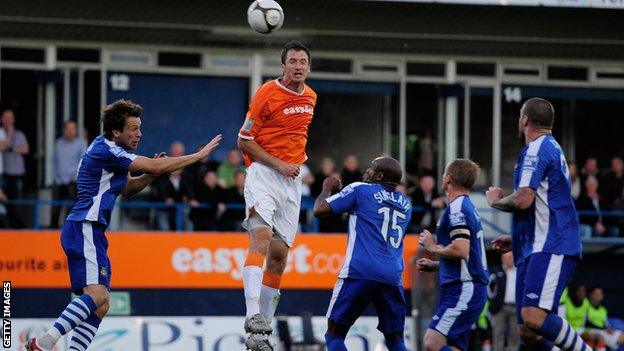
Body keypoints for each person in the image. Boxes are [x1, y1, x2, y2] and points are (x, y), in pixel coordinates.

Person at [25, 99, 222, 351]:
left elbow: (128, 188)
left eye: (139, 128)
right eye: (133, 128)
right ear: (116, 131)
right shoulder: (107, 149)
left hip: (90, 230)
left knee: (102, 303)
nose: (138, 133)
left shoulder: (113, 154)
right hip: (85, 226)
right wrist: (197, 156)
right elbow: (155, 164)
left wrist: (150, 175)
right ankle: (44, 342)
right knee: (97, 296)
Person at [486, 98, 589, 351]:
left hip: (552, 244)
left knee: (533, 315)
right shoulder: (551, 148)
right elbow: (543, 203)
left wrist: (496, 202)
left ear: (524, 120)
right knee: (527, 331)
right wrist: (517, 237)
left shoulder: (537, 148)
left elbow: (523, 200)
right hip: (535, 243)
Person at [237, 40, 316, 351]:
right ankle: (252, 315)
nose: (298, 66)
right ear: (283, 66)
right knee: (260, 236)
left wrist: (292, 166)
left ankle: (260, 335)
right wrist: (279, 164)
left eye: (303, 61)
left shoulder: (311, 97)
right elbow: (244, 140)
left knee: (280, 256)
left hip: (290, 182)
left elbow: (295, 137)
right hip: (263, 174)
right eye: (292, 61)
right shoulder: (266, 93)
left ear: (309, 67)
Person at [313, 156, 412, 351]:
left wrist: (327, 187)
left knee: (334, 335)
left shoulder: (360, 189)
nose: (366, 171)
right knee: (396, 341)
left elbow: (319, 210)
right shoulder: (406, 203)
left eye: (371, 168)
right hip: (392, 275)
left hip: (360, 270)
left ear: (380, 175)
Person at [416, 159, 489, 351]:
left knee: (432, 342)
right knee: (451, 345)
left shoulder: (457, 208)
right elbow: (468, 255)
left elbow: (461, 250)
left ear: (448, 179)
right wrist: (437, 265)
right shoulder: (465, 206)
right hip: (463, 285)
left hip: (465, 288)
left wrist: (433, 247)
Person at [51, 120, 87, 228]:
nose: (70, 131)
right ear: (64, 130)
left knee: (70, 208)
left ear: (76, 130)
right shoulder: (58, 143)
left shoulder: (81, 144)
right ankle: (52, 231)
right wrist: (55, 177)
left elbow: (83, 163)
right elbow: (54, 162)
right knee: (55, 207)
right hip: (58, 181)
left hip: (73, 181)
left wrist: (75, 177)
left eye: (73, 129)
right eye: (68, 129)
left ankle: (68, 230)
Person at [1, 109, 29, 228]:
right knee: (5, 203)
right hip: (4, 174)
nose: (8, 120)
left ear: (14, 120)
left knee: (16, 202)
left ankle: (13, 227)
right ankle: (8, 227)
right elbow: (3, 145)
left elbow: (25, 149)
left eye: (10, 118)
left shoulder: (19, 134)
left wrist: (12, 149)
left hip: (17, 174)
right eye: (5, 118)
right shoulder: (1, 133)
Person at [488, 252, 520, 351]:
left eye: (510, 257)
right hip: (500, 307)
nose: (508, 260)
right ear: (502, 259)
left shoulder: (519, 271)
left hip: (515, 308)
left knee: (514, 335)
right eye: (505, 258)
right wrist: (493, 299)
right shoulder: (496, 271)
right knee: (498, 333)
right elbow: (489, 287)